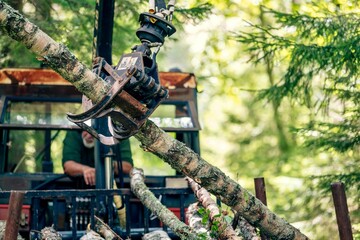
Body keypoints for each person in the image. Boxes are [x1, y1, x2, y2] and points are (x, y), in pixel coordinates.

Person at [62, 130, 133, 187]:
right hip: (79, 187)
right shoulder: (74, 132)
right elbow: (68, 166)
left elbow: (128, 167)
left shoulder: (118, 132)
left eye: (94, 130)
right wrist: (85, 170)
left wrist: (109, 165)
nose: (89, 135)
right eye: (86, 129)